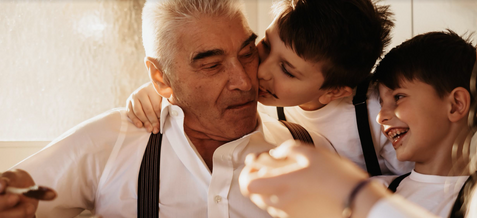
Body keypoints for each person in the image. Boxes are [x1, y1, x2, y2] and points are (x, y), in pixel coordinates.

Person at [0, 0, 334, 218]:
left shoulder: (313, 150)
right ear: (161, 77)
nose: (245, 82)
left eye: (247, 53)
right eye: (213, 65)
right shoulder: (110, 140)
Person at [239, 39, 477, 218]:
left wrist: (356, 196)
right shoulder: (383, 188)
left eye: (398, 97)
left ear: (456, 104)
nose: (381, 117)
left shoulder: (471, 203)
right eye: (382, 102)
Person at [125, 0, 413, 177]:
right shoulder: (254, 101)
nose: (258, 73)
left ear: (334, 91)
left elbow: (420, 186)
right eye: (263, 46)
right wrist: (162, 89)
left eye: (287, 70)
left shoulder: (379, 114)